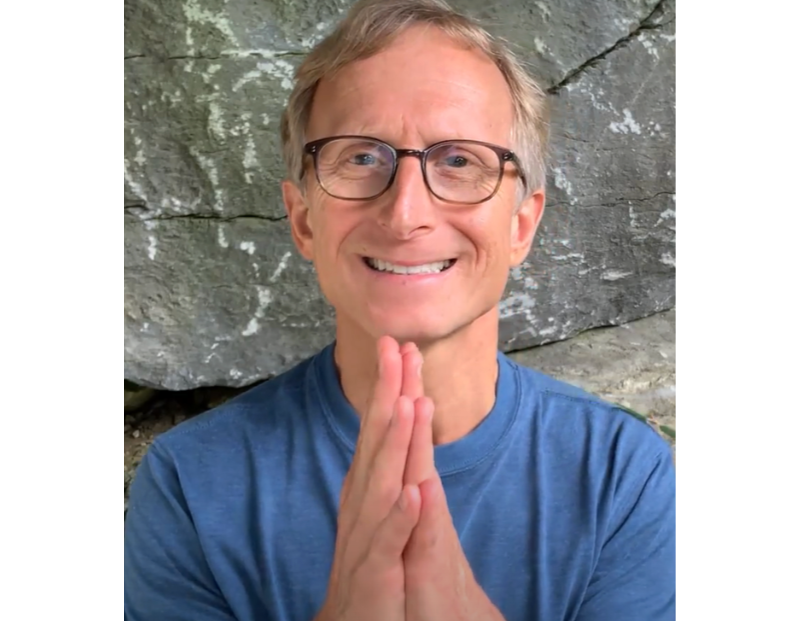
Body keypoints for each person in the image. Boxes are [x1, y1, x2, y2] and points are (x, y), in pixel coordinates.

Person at [123, 0, 677, 619]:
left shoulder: (622, 475)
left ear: (521, 225)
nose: (406, 213)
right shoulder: (190, 485)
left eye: (460, 160)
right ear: (304, 221)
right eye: (361, 157)